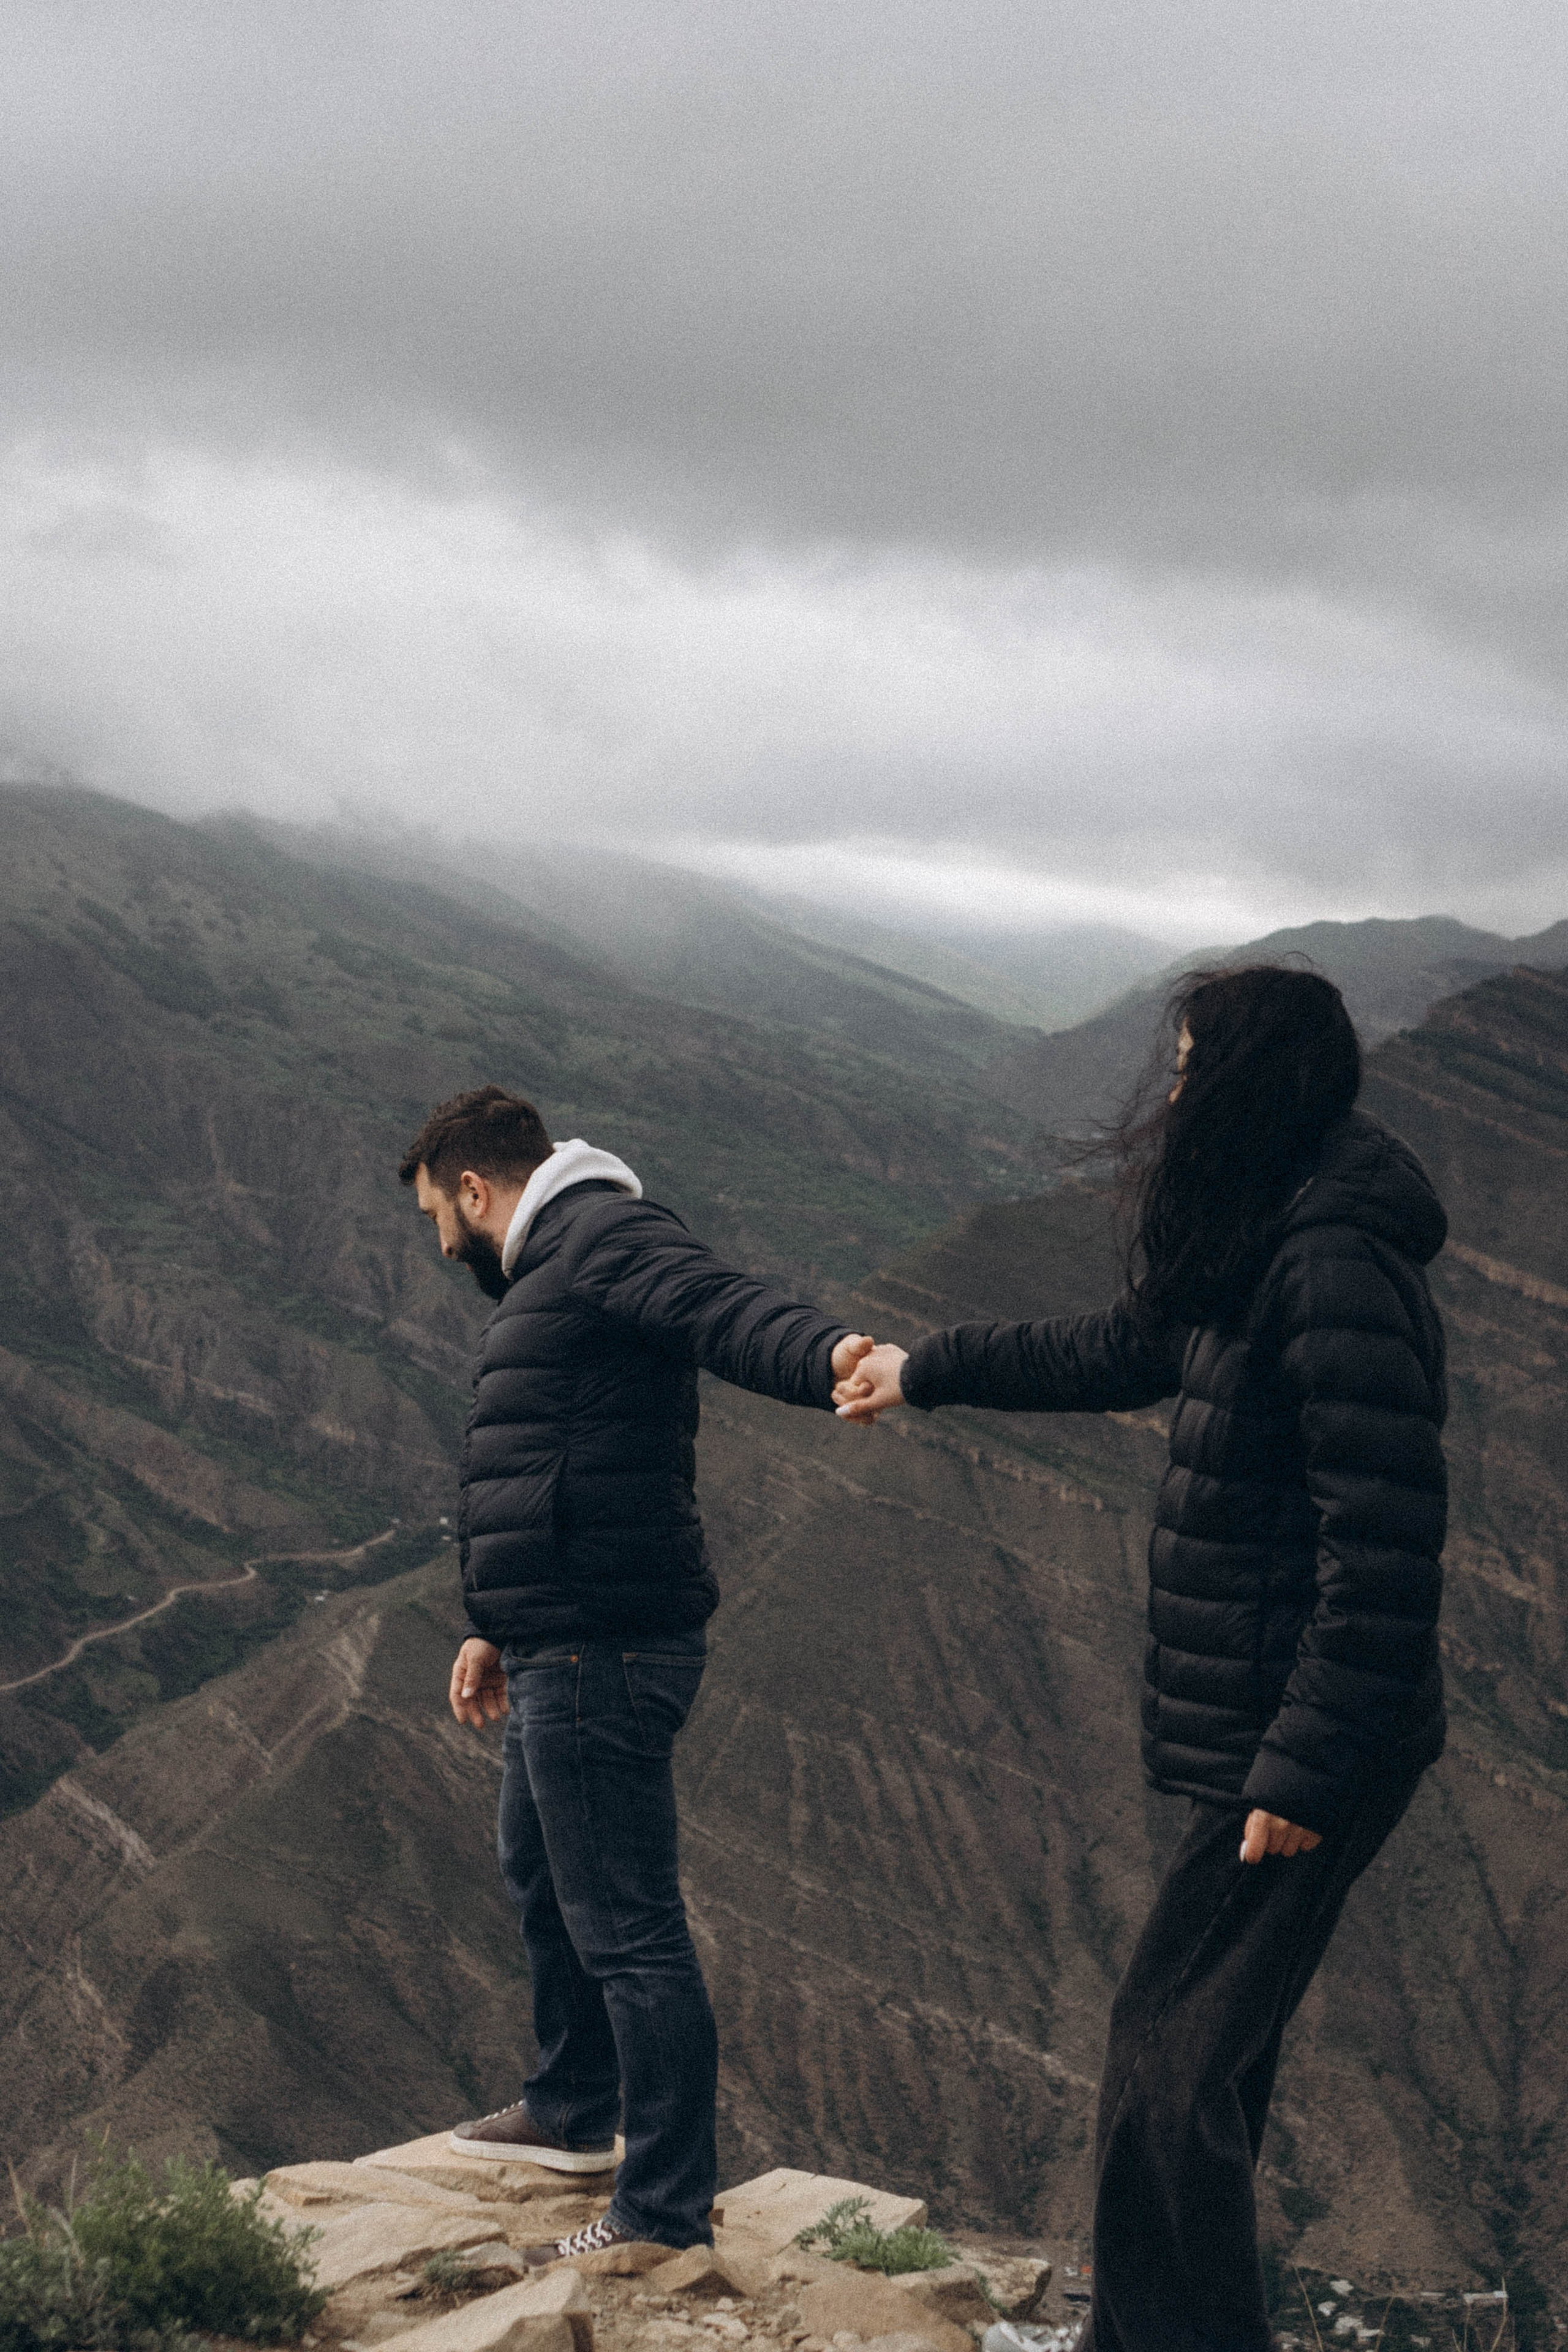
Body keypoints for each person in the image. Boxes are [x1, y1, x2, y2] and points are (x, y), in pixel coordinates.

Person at [834, 967, 1448, 2352]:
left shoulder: (1332, 1263)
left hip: (1298, 1740)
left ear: (1246, 1081)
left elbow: (1388, 1554)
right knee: (1201, 2070)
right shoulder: (1268, 1233)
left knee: (1163, 2068)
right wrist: (923, 1368)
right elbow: (1118, 1348)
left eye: (1184, 1066)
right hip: (1263, 1723)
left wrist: (1298, 1763)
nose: (1168, 1093)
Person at [399, 1085, 873, 2263]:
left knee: (628, 1930)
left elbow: (720, 1307)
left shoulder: (601, 1236)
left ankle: (660, 2212)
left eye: (435, 1215)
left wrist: (829, 1356)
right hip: (554, 1634)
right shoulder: (557, 1261)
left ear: (472, 1189)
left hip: (602, 1648)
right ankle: (570, 2114)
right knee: (540, 1870)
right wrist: (491, 1625)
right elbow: (552, 1458)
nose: (440, 1242)